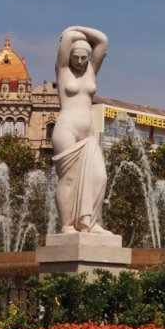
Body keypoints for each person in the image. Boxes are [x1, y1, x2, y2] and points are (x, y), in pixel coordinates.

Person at [52, 26, 112, 234]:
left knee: (99, 177)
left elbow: (103, 40)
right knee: (68, 179)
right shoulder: (62, 70)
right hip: (66, 130)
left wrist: (76, 28)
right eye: (75, 57)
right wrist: (71, 34)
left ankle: (89, 222)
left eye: (83, 58)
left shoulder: (91, 71)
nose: (79, 62)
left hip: (88, 136)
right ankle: (67, 224)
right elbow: (67, 38)